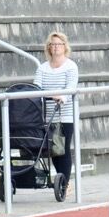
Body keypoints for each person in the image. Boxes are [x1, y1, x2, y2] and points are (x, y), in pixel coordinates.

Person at [34, 30, 78, 195]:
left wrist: (61, 96)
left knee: (63, 149)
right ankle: (61, 180)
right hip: (47, 115)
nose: (56, 47)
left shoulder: (71, 66)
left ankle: (64, 183)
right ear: (49, 47)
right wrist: (48, 95)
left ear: (65, 46)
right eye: (52, 44)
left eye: (59, 44)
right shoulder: (42, 68)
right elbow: (36, 88)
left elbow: (71, 87)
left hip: (65, 115)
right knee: (53, 150)